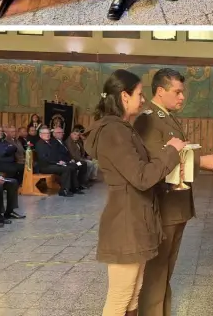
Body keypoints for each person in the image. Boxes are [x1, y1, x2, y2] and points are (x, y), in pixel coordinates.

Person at [84, 69, 184, 316]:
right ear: (124, 96)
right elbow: (140, 177)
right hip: (125, 222)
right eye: (139, 94)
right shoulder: (113, 131)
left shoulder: (121, 128)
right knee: (120, 298)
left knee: (133, 295)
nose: (142, 100)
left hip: (135, 218)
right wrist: (171, 152)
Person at [135, 69, 213, 316]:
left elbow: (178, 151)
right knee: (156, 270)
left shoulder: (166, 116)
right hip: (162, 204)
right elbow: (158, 158)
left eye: (182, 92)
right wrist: (201, 161)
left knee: (166, 267)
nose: (182, 97)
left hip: (176, 204)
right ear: (160, 91)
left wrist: (202, 156)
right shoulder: (147, 118)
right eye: (177, 92)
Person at [34, 126, 81, 197]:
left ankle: (74, 188)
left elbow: (56, 154)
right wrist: (57, 162)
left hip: (54, 164)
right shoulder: (39, 144)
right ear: (40, 135)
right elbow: (44, 158)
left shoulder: (51, 142)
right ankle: (64, 190)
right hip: (45, 166)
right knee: (66, 169)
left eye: (48, 133)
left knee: (73, 166)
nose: (47, 135)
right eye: (45, 133)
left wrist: (61, 161)